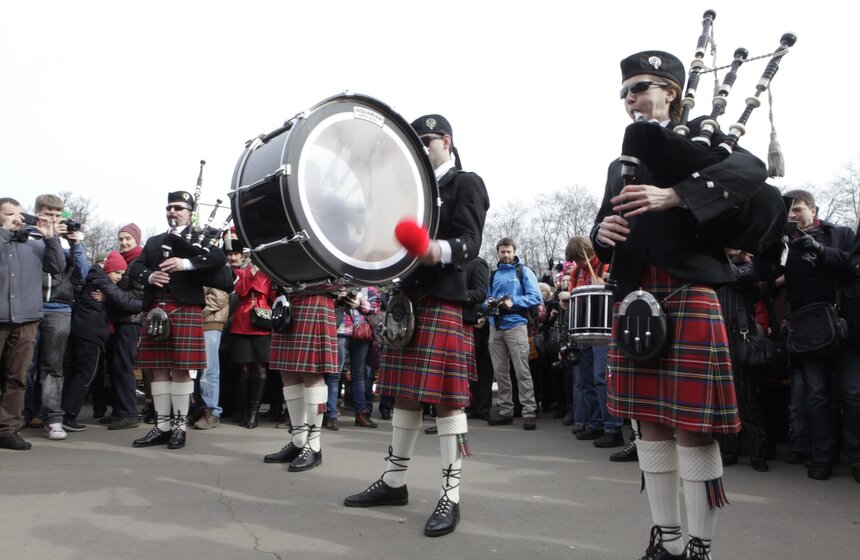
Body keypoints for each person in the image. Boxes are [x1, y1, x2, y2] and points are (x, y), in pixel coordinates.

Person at [593, 50, 783, 559]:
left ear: (671, 91)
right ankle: (667, 539)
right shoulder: (620, 162)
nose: (630, 98)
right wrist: (601, 232)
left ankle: (700, 546)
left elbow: (752, 172)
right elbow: (606, 226)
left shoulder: (704, 136)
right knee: (649, 423)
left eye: (639, 87)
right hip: (636, 295)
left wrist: (675, 195)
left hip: (689, 290)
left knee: (695, 430)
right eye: (624, 92)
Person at [343, 113, 490, 537]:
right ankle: (394, 481)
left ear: (446, 141)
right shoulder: (409, 191)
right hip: (407, 302)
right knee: (405, 395)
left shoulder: (466, 182)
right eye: (415, 143)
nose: (421, 149)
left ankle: (450, 496)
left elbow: (471, 241)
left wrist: (434, 250)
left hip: (443, 299)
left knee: (448, 403)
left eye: (427, 140)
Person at [128, 191, 228, 450]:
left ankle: (179, 427)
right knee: (158, 369)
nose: (173, 211)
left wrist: (186, 263)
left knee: (181, 369)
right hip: (155, 306)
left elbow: (219, 259)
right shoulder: (154, 241)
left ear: (190, 213)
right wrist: (150, 277)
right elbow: (136, 267)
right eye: (169, 207)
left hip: (185, 307)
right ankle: (162, 426)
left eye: (179, 207)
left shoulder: (202, 237)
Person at [780, 189, 857, 481]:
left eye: (798, 209)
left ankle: (855, 457)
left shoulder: (840, 234)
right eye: (788, 211)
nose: (793, 215)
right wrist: (769, 243)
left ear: (813, 210)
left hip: (845, 325)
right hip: (809, 330)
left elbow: (852, 264)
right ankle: (822, 457)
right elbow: (765, 273)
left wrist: (820, 250)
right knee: (816, 395)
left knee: (853, 394)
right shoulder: (784, 242)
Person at [0, 198, 65, 450]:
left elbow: (57, 267)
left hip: (27, 320)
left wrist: (50, 238)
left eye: (19, 213)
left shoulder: (34, 243)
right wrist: (5, 233)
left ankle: (7, 429)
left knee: (17, 378)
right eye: (9, 214)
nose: (16, 218)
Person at [24, 194, 88, 441]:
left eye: (58, 215)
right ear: (38, 213)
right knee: (24, 365)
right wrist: (44, 235)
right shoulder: (28, 235)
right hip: (30, 305)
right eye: (48, 214)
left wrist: (76, 244)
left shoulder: (66, 240)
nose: (53, 219)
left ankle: (52, 418)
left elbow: (81, 274)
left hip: (60, 307)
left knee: (52, 366)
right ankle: (25, 413)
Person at [61, 251, 143, 428]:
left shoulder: (95, 278)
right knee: (86, 374)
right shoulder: (101, 281)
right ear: (108, 268)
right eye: (117, 273)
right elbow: (124, 301)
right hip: (91, 333)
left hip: (83, 331)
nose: (119, 277)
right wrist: (146, 304)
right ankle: (68, 414)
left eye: (122, 274)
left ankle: (62, 413)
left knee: (75, 372)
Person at [262, 291, 335, 472]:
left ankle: (314, 446)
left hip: (314, 295)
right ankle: (298, 440)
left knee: (311, 371)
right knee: (287, 372)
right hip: (287, 297)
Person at [565, 236, 624, 448]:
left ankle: (613, 428)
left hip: (604, 329)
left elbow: (620, 288)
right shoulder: (576, 272)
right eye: (575, 260)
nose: (579, 263)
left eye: (581, 259)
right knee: (586, 379)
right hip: (583, 330)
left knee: (602, 378)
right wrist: (566, 299)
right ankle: (595, 423)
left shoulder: (607, 264)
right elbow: (573, 295)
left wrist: (606, 281)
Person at [485, 237, 542, 430]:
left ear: (514, 251)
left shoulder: (523, 271)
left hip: (516, 325)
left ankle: (529, 412)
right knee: (500, 372)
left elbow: (536, 297)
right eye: (502, 252)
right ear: (498, 253)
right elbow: (486, 298)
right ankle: (505, 410)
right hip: (495, 326)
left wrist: (513, 301)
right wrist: (488, 303)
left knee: (522, 371)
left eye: (509, 251)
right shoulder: (493, 274)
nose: (506, 255)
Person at [98, 223, 145, 430]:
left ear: (137, 240)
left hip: (130, 322)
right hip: (117, 321)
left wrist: (109, 296)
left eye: (128, 239)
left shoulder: (139, 263)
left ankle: (128, 413)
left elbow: (139, 296)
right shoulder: (122, 261)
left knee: (124, 367)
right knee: (115, 367)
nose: (124, 242)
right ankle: (119, 410)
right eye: (121, 238)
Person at [229, 247, 272, 430]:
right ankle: (244, 410)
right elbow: (241, 291)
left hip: (262, 320)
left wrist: (258, 274)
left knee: (260, 368)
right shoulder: (241, 272)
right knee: (243, 369)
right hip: (242, 321)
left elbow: (270, 294)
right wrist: (250, 273)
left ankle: (254, 412)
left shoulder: (268, 273)